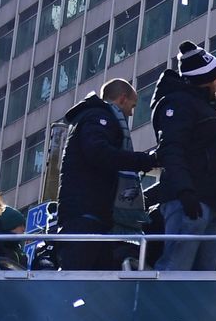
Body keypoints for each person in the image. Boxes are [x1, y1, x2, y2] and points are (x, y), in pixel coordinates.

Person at [55, 79, 158, 270]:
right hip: (85, 214)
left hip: (94, 216)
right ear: (122, 98)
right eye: (132, 105)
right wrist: (142, 160)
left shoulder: (93, 118)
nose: (131, 112)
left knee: (93, 281)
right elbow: (99, 153)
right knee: (79, 279)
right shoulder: (98, 118)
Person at [152, 41, 216, 271]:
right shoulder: (179, 104)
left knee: (202, 279)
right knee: (175, 267)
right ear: (205, 79)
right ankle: (162, 306)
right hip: (189, 200)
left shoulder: (201, 105)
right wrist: (184, 191)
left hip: (210, 201)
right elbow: (171, 148)